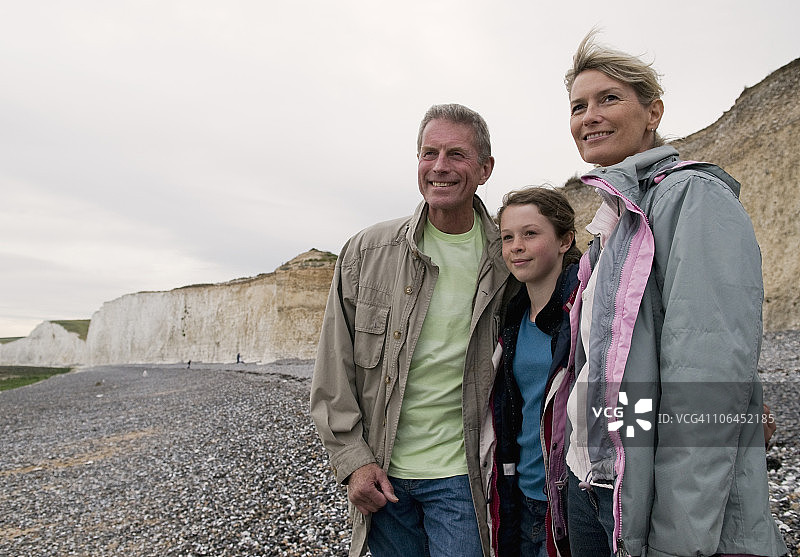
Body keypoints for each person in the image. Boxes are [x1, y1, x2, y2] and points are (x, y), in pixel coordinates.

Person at [558, 31, 787, 556]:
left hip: (647, 504)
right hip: (596, 486)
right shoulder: (615, 224)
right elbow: (609, 374)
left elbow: (705, 381)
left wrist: (679, 538)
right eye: (578, 106)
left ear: (653, 111)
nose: (589, 115)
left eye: (608, 99)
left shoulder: (693, 200)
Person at [310, 103, 513, 557]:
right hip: (383, 476)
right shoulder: (367, 251)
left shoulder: (508, 260)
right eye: (429, 153)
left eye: (456, 154)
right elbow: (333, 369)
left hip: (463, 476)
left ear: (485, 168)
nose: (440, 167)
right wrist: (353, 462)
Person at [488, 187, 581, 557]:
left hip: (574, 499)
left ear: (564, 240)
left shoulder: (584, 311)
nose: (516, 246)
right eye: (508, 237)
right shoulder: (512, 319)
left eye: (530, 234)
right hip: (522, 492)